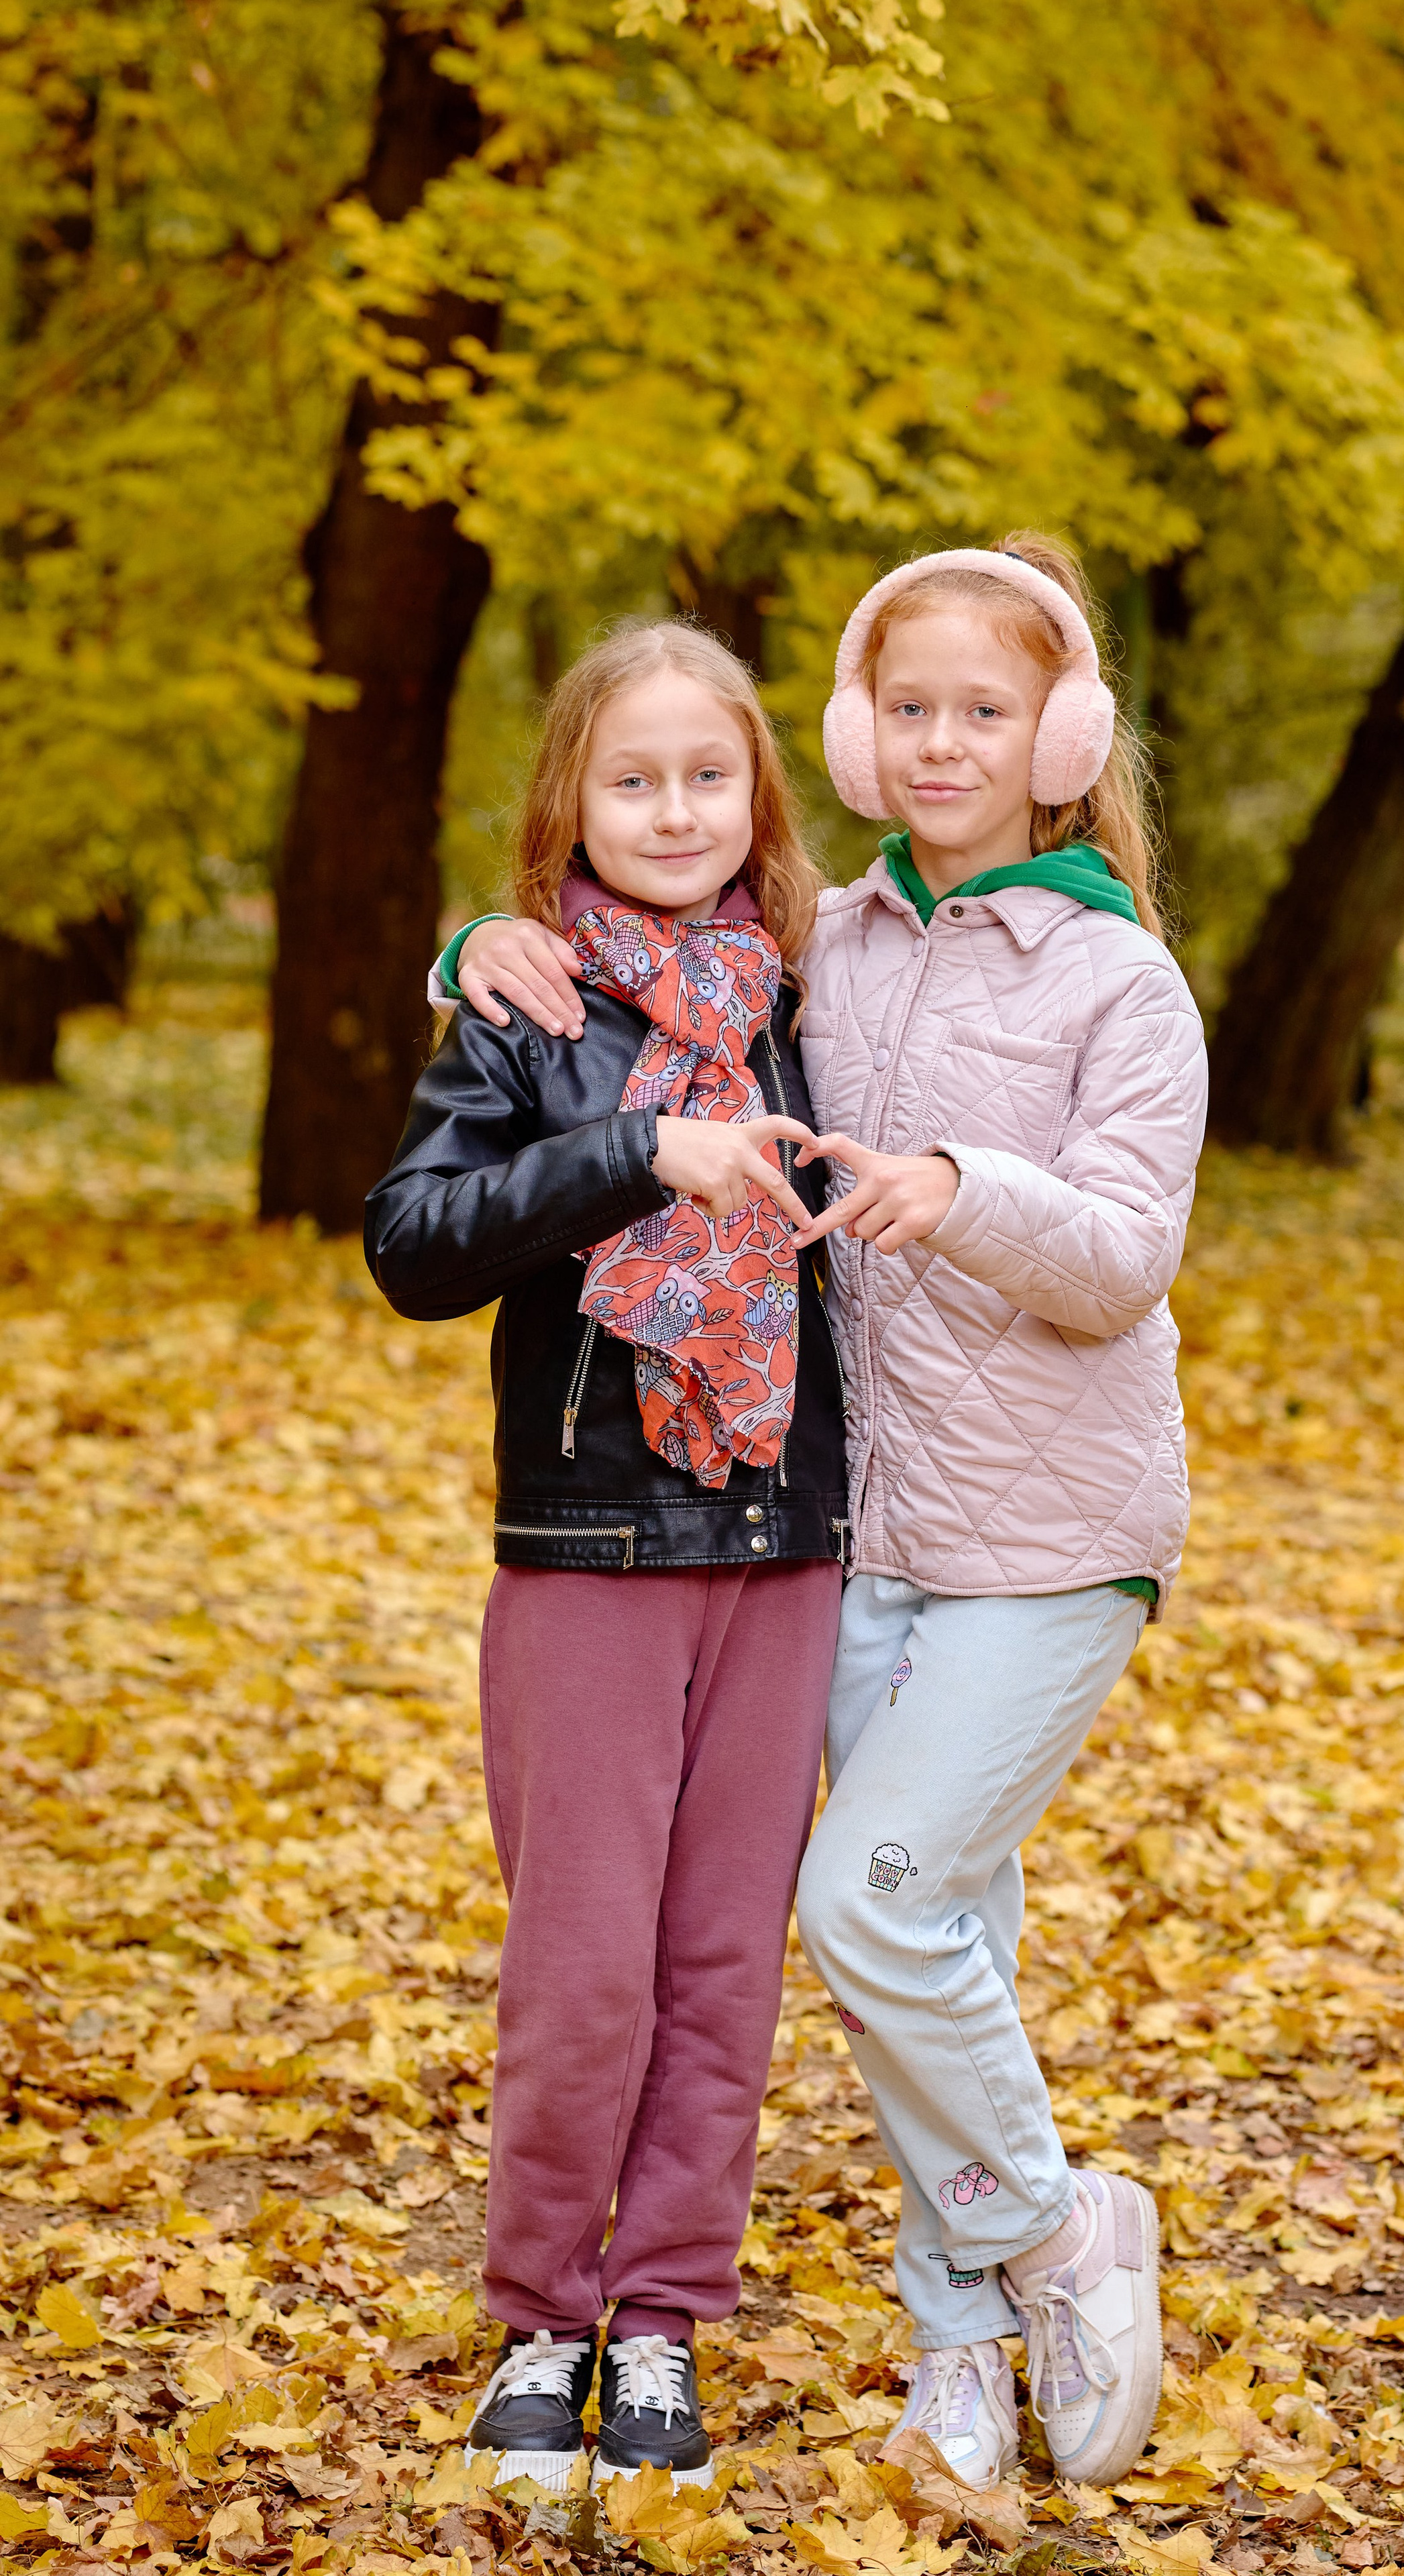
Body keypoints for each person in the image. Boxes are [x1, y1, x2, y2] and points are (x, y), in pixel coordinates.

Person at [447, 533, 1207, 2493]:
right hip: (852, 1530)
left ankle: (1052, 2227)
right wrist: (469, 951)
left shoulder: (1123, 980)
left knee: (868, 1900)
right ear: (860, 738)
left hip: (1047, 1536)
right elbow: (622, 963)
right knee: (939, 1940)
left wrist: (957, 1186)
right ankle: (958, 2338)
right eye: (913, 708)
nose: (946, 744)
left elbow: (1128, 1257)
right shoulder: (826, 946)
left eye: (988, 711)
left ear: (1064, 737)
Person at [364, 621, 848, 2495]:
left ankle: (662, 2323)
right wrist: (639, 1150)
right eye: (631, 780)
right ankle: (542, 2320)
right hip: (587, 1541)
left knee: (723, 1966)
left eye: (708, 776)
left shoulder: (811, 988)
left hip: (782, 1543)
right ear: (569, 802)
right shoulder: (528, 1007)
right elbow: (414, 1246)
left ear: (758, 796)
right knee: (585, 1969)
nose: (672, 811)